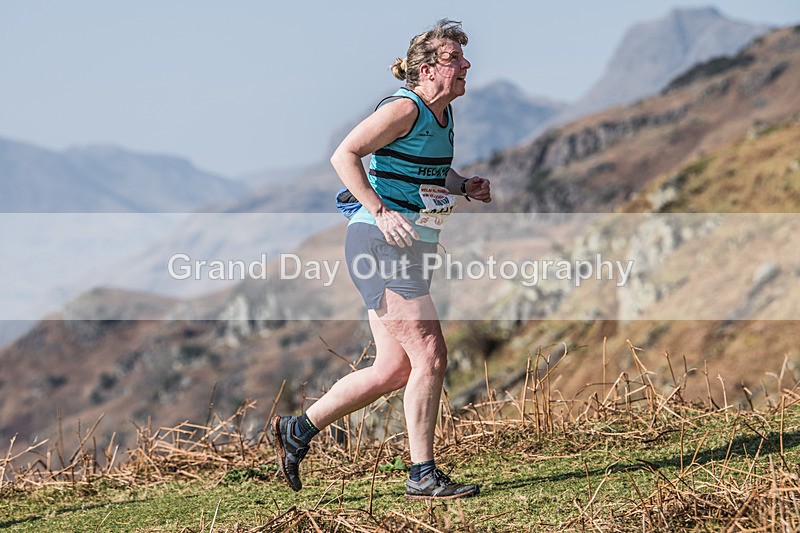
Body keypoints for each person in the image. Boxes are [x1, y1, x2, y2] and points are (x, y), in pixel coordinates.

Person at [272, 19, 491, 500]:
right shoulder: (404, 107)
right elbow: (345, 154)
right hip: (379, 242)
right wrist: (380, 210)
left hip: (410, 245)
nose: (467, 64)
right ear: (428, 70)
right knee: (430, 353)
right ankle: (422, 475)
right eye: (455, 59)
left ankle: (297, 429)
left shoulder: (442, 114)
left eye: (463, 57)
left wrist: (462, 185)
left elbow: (428, 169)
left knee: (394, 368)